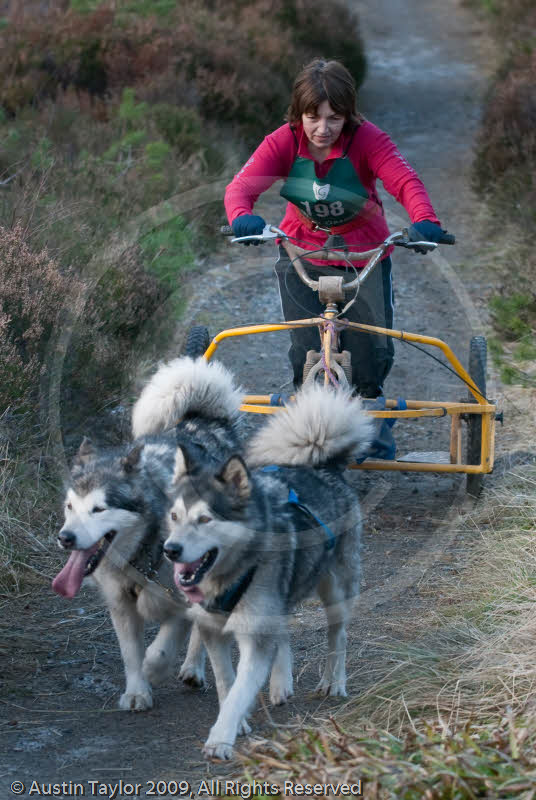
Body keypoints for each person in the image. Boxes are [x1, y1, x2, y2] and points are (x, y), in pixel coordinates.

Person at [224, 57, 452, 400]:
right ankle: (308, 427)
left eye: (335, 118)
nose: (323, 129)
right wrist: (241, 216)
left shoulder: (369, 140)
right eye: (313, 117)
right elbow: (240, 188)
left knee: (371, 358)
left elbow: (405, 182)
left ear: (349, 115)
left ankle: (371, 423)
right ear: (299, 113)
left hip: (365, 256)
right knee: (305, 350)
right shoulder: (283, 141)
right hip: (301, 253)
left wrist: (425, 221)